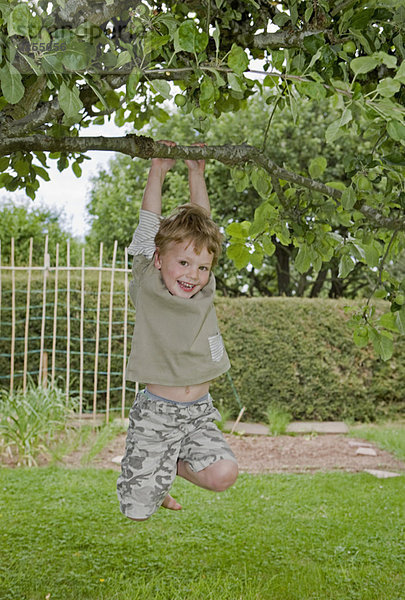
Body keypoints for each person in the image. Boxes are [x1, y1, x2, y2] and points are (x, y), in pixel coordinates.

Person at [117, 141, 238, 521]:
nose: (193, 274)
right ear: (158, 259)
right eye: (183, 262)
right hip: (157, 415)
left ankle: (166, 466)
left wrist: (196, 172)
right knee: (137, 510)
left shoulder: (204, 289)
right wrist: (158, 170)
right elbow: (148, 225)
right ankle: (151, 469)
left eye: (201, 267)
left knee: (224, 474)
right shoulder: (148, 285)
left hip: (199, 413)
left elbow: (204, 228)